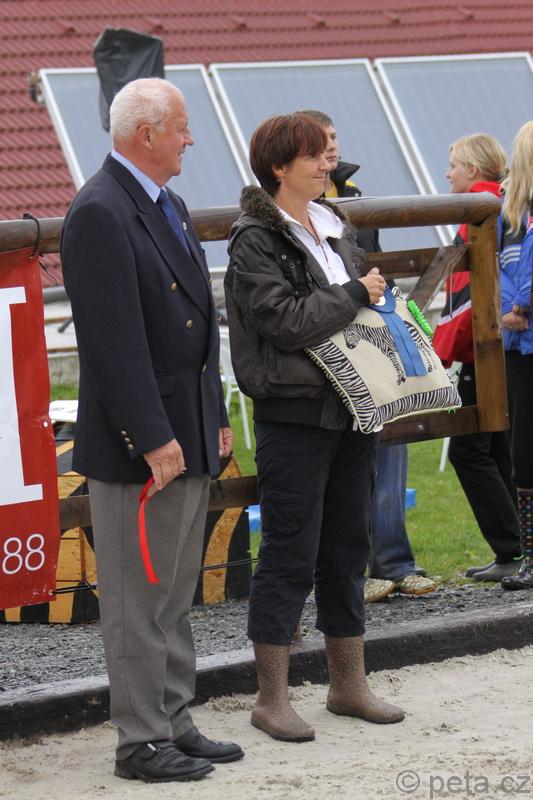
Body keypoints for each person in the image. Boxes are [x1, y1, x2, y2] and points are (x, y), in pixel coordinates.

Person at [60, 78, 243, 783]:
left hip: (186, 428)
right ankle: (139, 741)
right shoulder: (100, 210)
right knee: (137, 599)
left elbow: (197, 329)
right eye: (181, 127)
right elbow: (112, 344)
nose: (190, 138)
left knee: (172, 591)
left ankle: (173, 717)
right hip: (143, 445)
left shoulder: (165, 202)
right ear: (146, 134)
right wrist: (153, 435)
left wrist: (214, 416)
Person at [225, 112, 405, 744]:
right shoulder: (254, 239)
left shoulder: (335, 227)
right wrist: (356, 293)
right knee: (289, 555)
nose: (328, 163)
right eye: (314, 156)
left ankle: (347, 685)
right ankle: (271, 699)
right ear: (280, 167)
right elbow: (284, 322)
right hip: (295, 413)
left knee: (348, 547)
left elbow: (351, 312)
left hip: (353, 406)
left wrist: (374, 300)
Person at [301, 109, 436, 601]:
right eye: (321, 140)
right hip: (328, 339)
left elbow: (375, 266)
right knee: (342, 462)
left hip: (372, 329)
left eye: (334, 137)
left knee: (391, 440)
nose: (332, 147)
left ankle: (395, 561)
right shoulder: (288, 208)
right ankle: (350, 571)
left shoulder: (355, 197)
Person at [433, 133, 521, 582]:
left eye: (453, 164)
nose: (447, 172)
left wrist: (439, 349)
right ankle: (518, 545)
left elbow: (469, 297)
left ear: (471, 168)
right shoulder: (505, 204)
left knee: (469, 449)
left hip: (481, 351)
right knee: (500, 447)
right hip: (502, 348)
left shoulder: (478, 212)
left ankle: (511, 546)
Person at [498, 121, 533, 590]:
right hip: (521, 347)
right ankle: (531, 556)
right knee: (523, 451)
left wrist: (523, 303)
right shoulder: (507, 215)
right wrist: (509, 308)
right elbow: (495, 268)